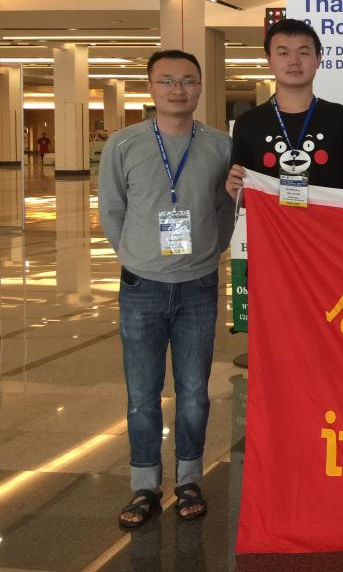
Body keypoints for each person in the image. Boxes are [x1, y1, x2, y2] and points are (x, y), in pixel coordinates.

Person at [99, 50, 233, 529]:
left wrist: (208, 251)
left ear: (200, 87)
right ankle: (145, 485)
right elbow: (112, 210)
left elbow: (225, 206)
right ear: (150, 87)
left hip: (198, 285)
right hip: (141, 287)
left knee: (195, 391)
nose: (178, 89)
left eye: (188, 81)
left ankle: (189, 479)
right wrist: (138, 255)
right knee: (142, 394)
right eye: (167, 80)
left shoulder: (219, 146)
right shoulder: (123, 145)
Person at [226, 19, 343, 201]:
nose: (294, 61)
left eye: (303, 52)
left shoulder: (342, 118)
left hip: (327, 220)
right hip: (270, 221)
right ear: (269, 60)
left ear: (318, 59)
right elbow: (244, 195)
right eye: (283, 53)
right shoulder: (248, 123)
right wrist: (236, 193)